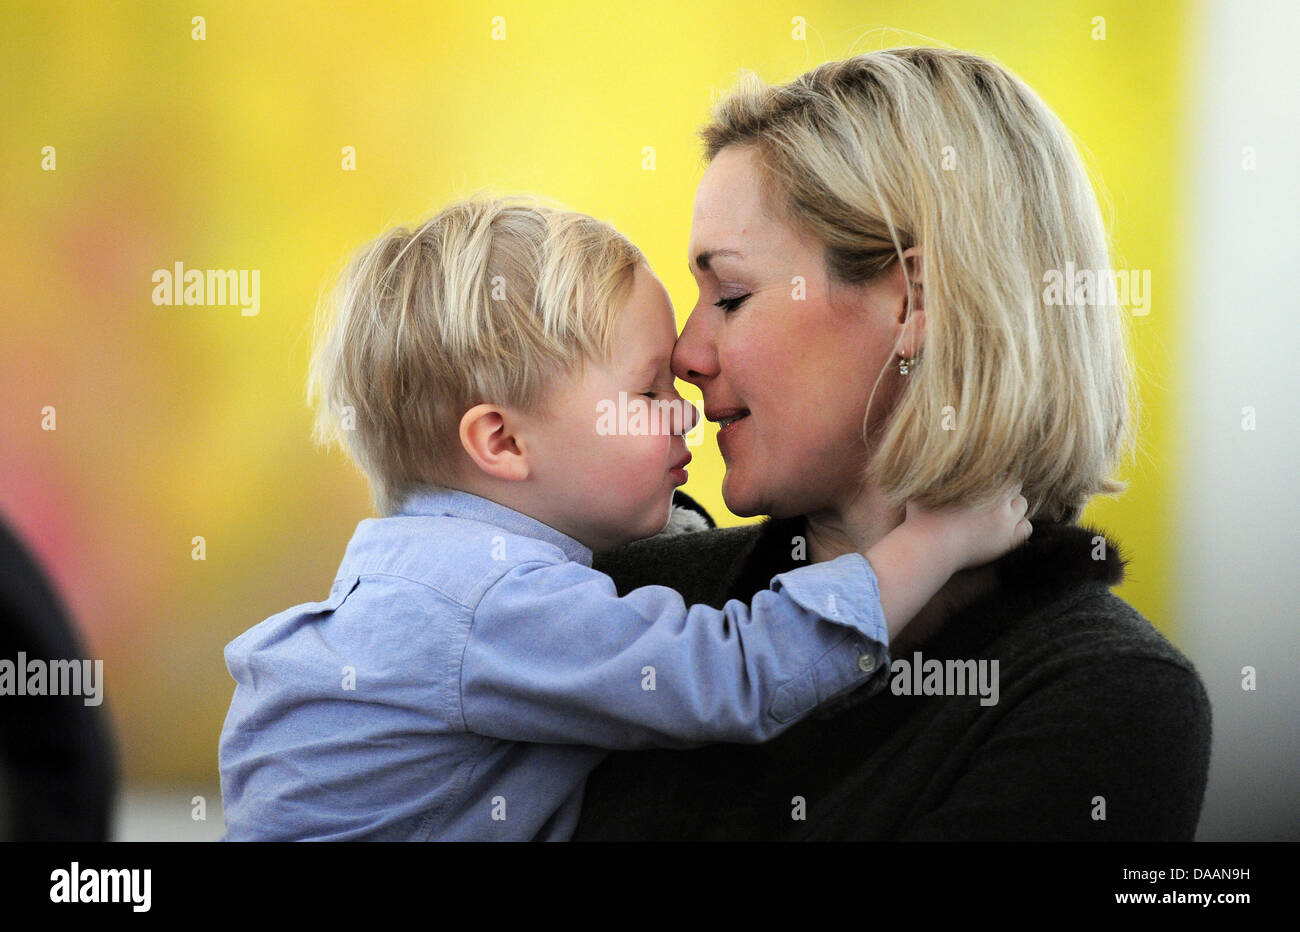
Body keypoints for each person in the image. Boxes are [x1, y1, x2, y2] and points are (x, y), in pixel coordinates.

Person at [217, 198, 1030, 841]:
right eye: (646, 394)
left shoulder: (412, 575)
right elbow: (736, 677)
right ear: (501, 440)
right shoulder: (494, 605)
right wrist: (935, 539)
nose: (685, 416)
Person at [571, 47, 1213, 841]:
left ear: (915, 301)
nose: (687, 355)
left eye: (732, 295)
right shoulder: (611, 601)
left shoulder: (1102, 695)